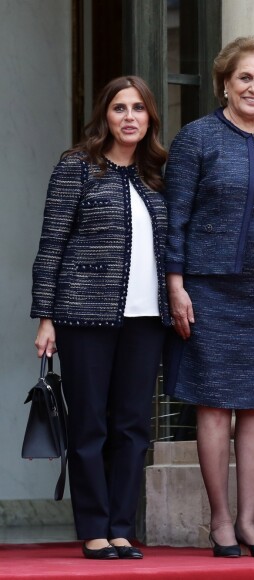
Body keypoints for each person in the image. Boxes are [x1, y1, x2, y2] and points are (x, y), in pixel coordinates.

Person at [164, 36, 254, 558]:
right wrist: (176, 285)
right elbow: (175, 217)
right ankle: (220, 521)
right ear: (225, 82)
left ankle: (248, 521)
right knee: (216, 405)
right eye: (246, 77)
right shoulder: (197, 138)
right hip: (209, 290)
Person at [31, 76, 169, 560]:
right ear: (105, 116)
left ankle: (120, 527)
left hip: (146, 318)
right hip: (82, 314)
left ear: (150, 117)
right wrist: (44, 316)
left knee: (133, 424)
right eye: (119, 108)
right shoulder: (77, 167)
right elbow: (52, 244)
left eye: (138, 108)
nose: (129, 117)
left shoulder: (158, 173)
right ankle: (93, 527)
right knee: (89, 423)